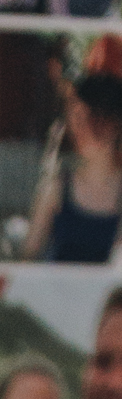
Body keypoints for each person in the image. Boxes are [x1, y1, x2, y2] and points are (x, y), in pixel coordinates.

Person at [34, 61, 122, 258]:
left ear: (111, 124)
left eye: (86, 119)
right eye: (74, 119)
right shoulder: (55, 188)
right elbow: (25, 264)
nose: (76, 130)